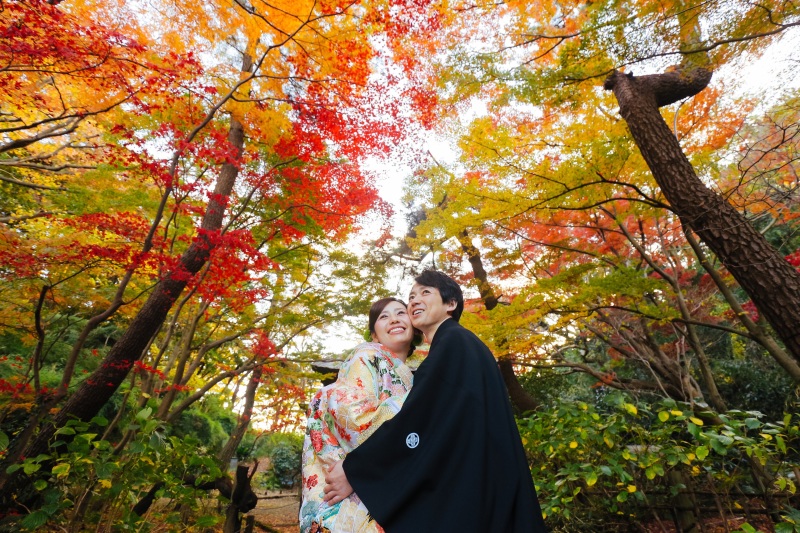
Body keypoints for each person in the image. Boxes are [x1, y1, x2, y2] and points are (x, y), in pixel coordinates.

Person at [323, 269, 548, 532]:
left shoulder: (453, 345)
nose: (414, 301)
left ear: (451, 304)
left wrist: (357, 470)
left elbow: (419, 418)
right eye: (411, 296)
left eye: (425, 293)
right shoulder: (459, 345)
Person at [299, 297, 417, 533]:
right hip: (348, 486)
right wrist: (422, 401)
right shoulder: (366, 356)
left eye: (401, 313)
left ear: (414, 327)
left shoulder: (411, 377)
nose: (394, 319)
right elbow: (353, 420)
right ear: (374, 335)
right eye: (384, 316)